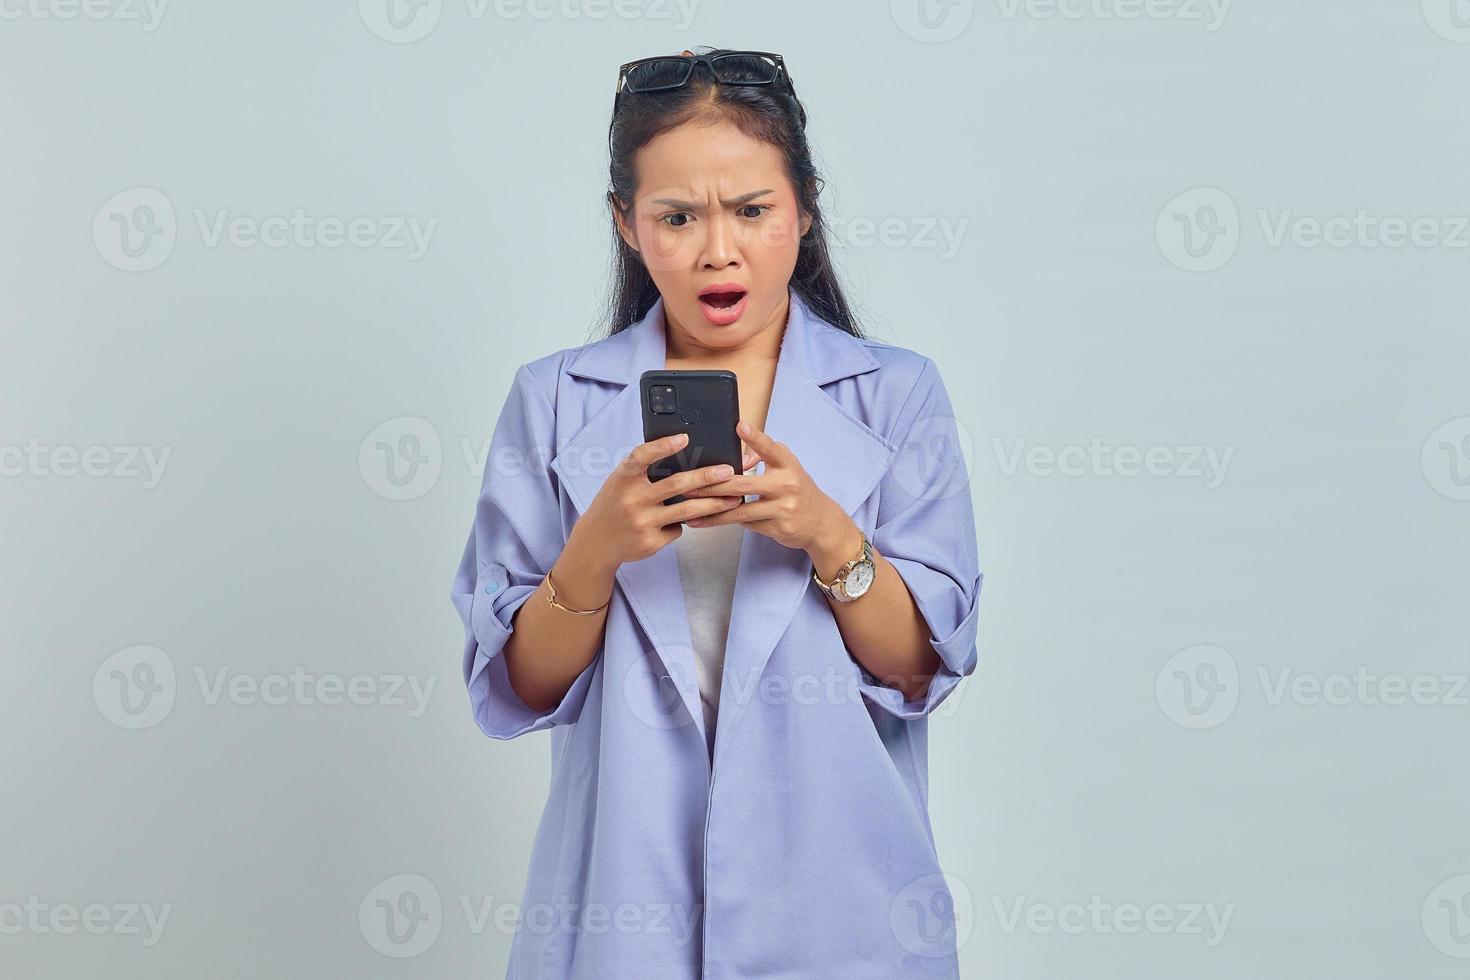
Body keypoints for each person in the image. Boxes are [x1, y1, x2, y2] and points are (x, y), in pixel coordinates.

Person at [450, 46, 984, 978]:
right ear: (626, 223)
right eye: (676, 216)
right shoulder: (554, 401)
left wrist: (828, 533)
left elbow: (919, 669)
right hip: (626, 902)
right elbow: (519, 689)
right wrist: (593, 555)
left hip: (840, 903)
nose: (717, 250)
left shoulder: (896, 396)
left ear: (805, 209)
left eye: (751, 210)